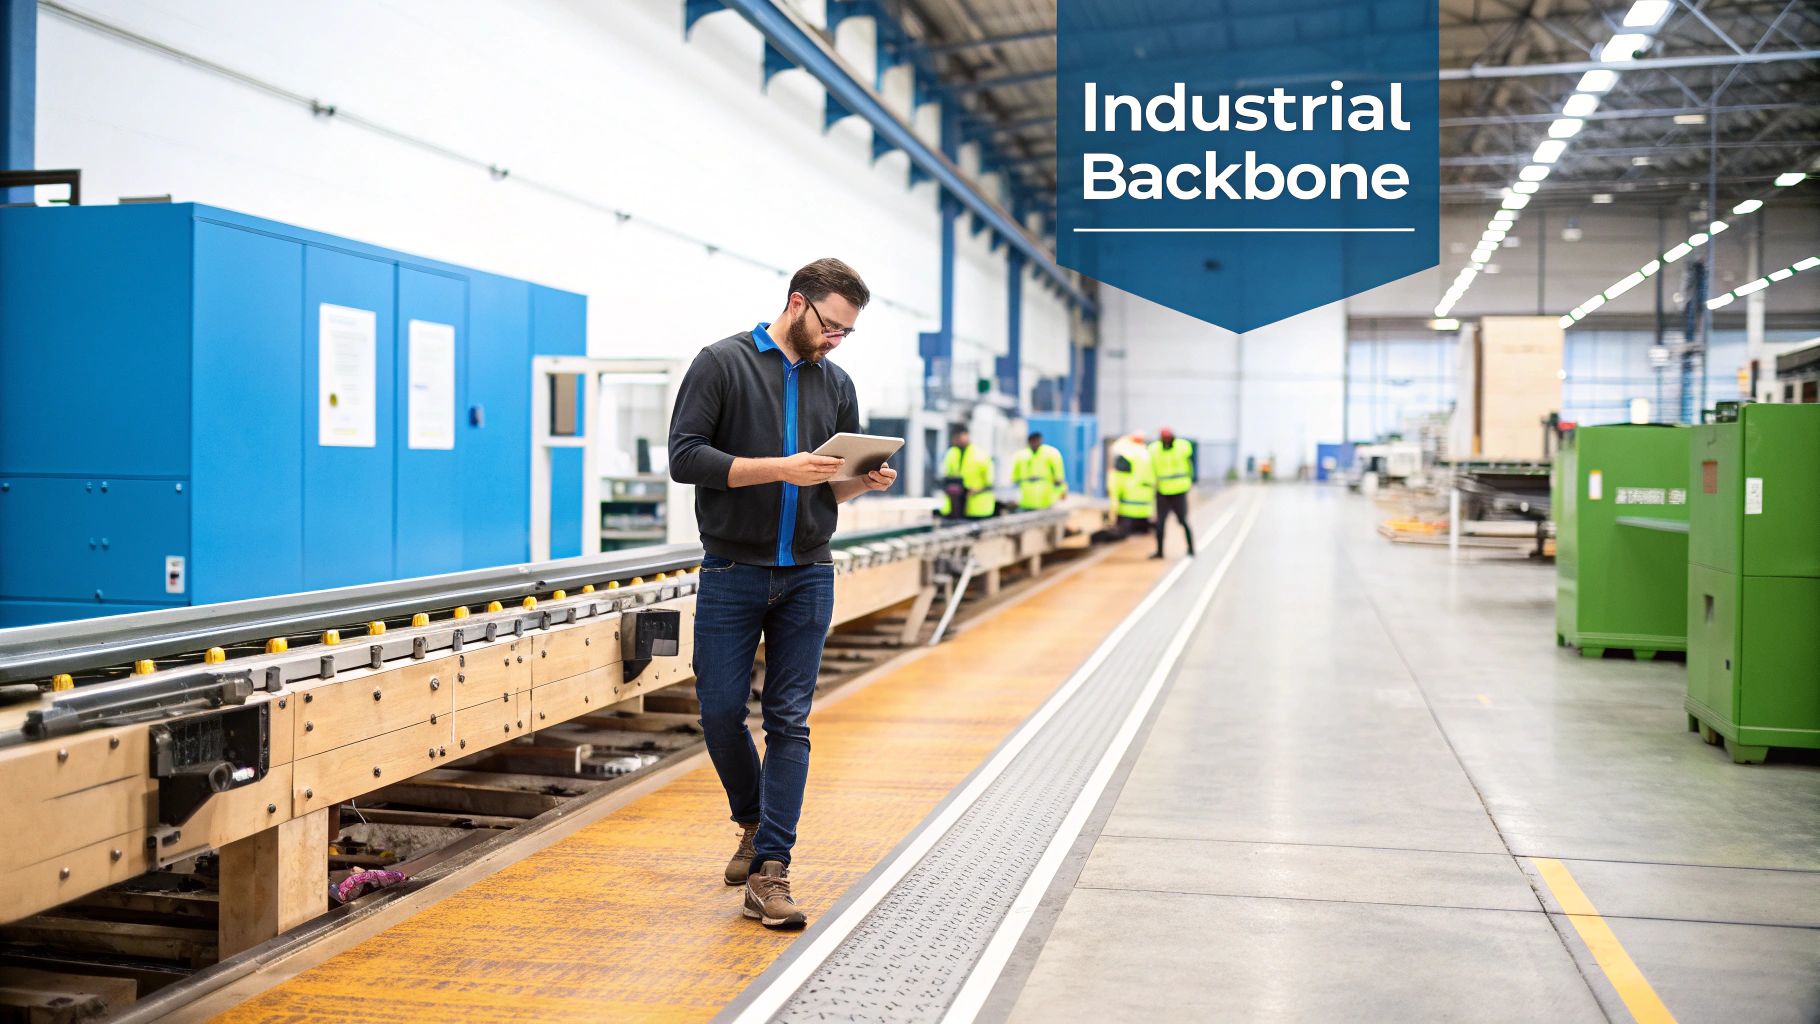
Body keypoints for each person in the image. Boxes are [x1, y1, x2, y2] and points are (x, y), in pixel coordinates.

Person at [668, 258, 896, 930]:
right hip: (731, 570)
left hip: (808, 574)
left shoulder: (838, 382)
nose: (835, 340)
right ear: (797, 303)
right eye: (831, 325)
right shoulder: (722, 364)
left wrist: (861, 482)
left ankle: (770, 870)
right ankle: (751, 820)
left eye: (846, 332)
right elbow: (685, 457)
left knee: (789, 720)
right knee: (719, 712)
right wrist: (781, 469)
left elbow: (827, 490)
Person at [1148, 428, 1196, 557]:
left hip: (1179, 491)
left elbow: (1190, 463)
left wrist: (1190, 481)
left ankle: (1191, 549)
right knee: (1160, 523)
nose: (1167, 440)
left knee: (1183, 521)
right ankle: (1159, 552)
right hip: (1163, 492)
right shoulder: (1154, 450)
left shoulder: (1182, 447)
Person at [938, 426, 996, 519]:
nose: (956, 440)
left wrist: (976, 490)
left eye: (959, 437)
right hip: (956, 508)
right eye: (955, 438)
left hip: (977, 508)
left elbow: (990, 483)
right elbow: (947, 476)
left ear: (966, 435)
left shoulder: (981, 454)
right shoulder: (951, 453)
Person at [1108, 432, 1154, 541]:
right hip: (1145, 500)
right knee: (1141, 532)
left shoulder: (1126, 452)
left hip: (1128, 498)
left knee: (1124, 532)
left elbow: (1120, 474)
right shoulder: (1146, 453)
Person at [1011, 431, 1067, 511]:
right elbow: (1015, 479)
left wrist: (1062, 492)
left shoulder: (1051, 454)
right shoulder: (1021, 456)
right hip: (1026, 501)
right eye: (1032, 441)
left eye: (1037, 440)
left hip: (1047, 500)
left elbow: (1059, 477)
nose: (1035, 443)